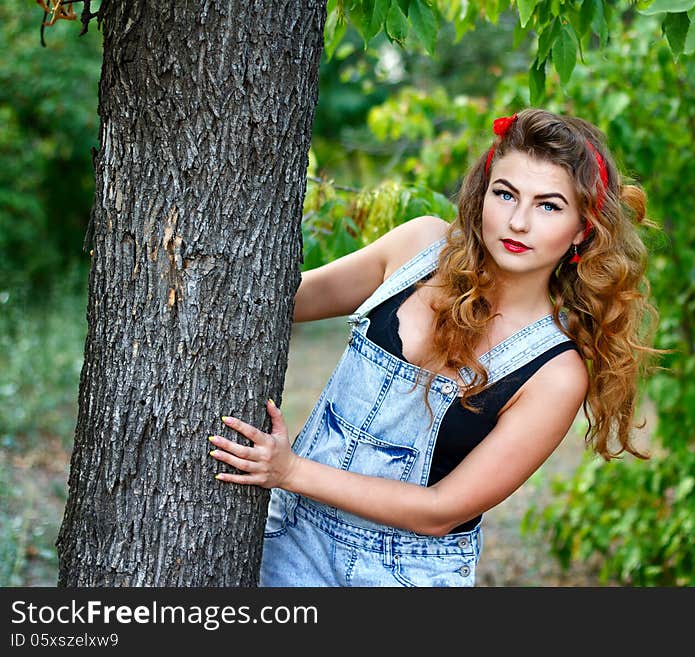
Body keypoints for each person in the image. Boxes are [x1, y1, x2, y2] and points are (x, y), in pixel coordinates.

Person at [207, 108, 660, 586]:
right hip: (288, 536)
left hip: (406, 574)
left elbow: (440, 512)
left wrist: (290, 470)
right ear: (482, 195)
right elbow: (279, 303)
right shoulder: (418, 248)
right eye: (505, 195)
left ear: (582, 229)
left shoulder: (555, 372)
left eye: (549, 206)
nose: (518, 222)